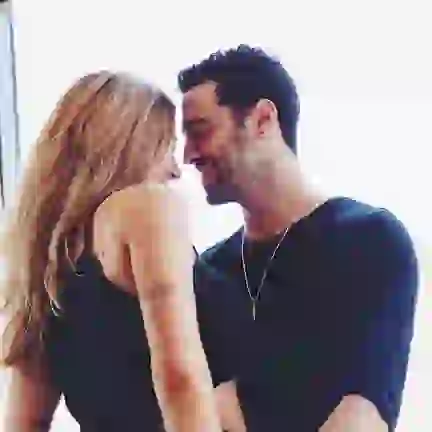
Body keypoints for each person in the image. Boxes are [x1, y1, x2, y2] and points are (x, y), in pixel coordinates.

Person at [178, 44, 419, 431]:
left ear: (263, 119)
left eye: (200, 131)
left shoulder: (367, 240)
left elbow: (362, 415)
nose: (188, 154)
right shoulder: (206, 273)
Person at [0, 71, 230, 432]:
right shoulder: (144, 206)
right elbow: (180, 375)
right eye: (166, 148)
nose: (175, 170)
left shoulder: (46, 268)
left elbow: (25, 423)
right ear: (129, 147)